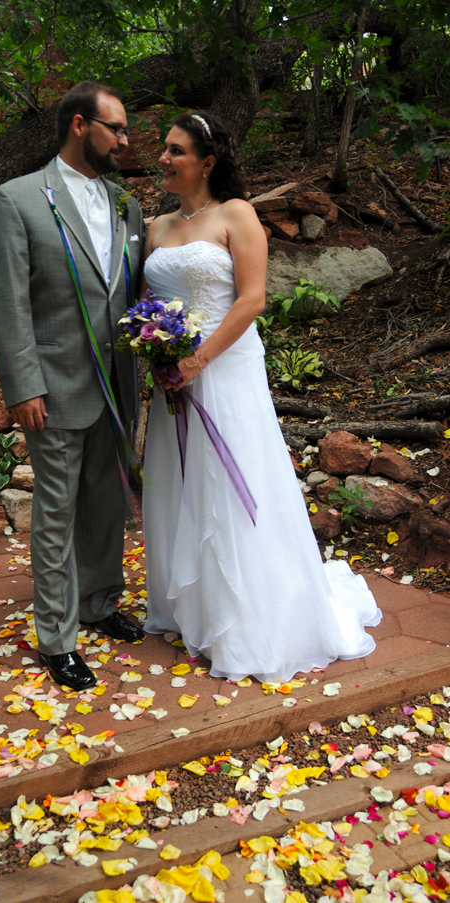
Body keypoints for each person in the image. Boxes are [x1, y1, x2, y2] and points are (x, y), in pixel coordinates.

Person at [142, 111, 381, 682]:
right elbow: (147, 305)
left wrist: (198, 358)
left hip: (225, 365)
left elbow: (251, 299)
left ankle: (253, 618)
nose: (163, 159)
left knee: (233, 479)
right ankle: (193, 609)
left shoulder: (237, 215)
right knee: (181, 479)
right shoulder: (156, 227)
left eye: (175, 151)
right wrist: (156, 356)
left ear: (208, 160)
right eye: (163, 149)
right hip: (174, 372)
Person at [0, 82, 146, 692]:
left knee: (106, 501)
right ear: (80, 125)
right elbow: (7, 303)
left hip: (116, 383)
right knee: (56, 512)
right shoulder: (18, 199)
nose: (126, 141)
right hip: (52, 387)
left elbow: (125, 293)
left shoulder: (125, 205)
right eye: (117, 129)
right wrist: (22, 384)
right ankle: (56, 637)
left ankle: (100, 603)